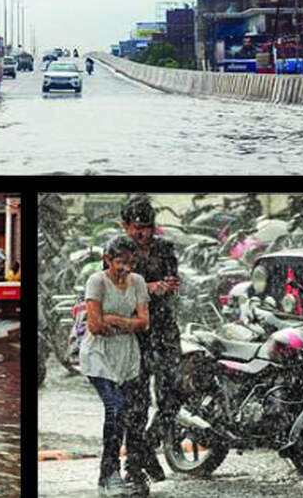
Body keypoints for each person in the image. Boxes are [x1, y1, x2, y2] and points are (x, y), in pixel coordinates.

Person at [81, 235, 151, 496]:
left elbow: (144, 322)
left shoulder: (138, 282)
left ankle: (125, 472)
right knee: (116, 408)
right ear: (107, 260)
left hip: (128, 357)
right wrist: (126, 322)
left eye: (130, 263)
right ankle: (109, 473)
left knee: (130, 414)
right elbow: (95, 326)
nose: (125, 269)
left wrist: (115, 319)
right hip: (98, 356)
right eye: (120, 262)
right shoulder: (97, 281)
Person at [120, 195, 183, 483]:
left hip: (165, 328)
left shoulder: (165, 248)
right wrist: (148, 287)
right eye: (138, 228)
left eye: (149, 227)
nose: (144, 233)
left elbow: (173, 280)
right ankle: (134, 467)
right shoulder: (118, 252)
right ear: (125, 226)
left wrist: (171, 286)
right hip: (135, 333)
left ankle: (148, 446)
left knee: (173, 395)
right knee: (137, 403)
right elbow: (114, 289)